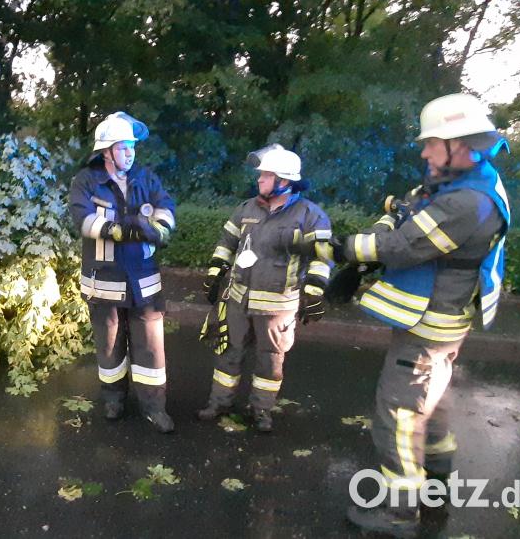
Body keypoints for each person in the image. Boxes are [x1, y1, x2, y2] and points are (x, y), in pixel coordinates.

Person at [336, 94, 511, 538]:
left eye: (432, 143)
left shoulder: (466, 204)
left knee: (397, 414)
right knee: (430, 407)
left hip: (429, 327)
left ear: (463, 145)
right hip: (439, 327)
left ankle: (397, 514)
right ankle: (436, 487)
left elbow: (402, 244)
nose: (424, 152)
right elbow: (397, 217)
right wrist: (373, 244)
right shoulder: (457, 186)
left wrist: (346, 250)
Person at [196, 145, 333, 432]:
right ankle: (219, 403)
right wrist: (215, 273)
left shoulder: (310, 215)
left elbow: (323, 257)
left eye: (266, 175)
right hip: (238, 299)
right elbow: (226, 242)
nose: (259, 180)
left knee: (270, 361)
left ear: (284, 181)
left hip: (277, 307)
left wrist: (315, 291)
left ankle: (261, 411)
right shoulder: (246, 209)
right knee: (227, 353)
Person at [68, 111, 177, 434]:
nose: (130, 153)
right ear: (106, 152)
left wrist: (159, 229)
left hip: (144, 282)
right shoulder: (85, 181)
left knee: (150, 349)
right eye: (123, 147)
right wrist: (119, 230)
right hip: (105, 282)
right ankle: (113, 399)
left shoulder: (146, 177)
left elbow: (166, 207)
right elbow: (82, 220)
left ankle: (154, 408)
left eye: (132, 147)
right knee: (109, 346)